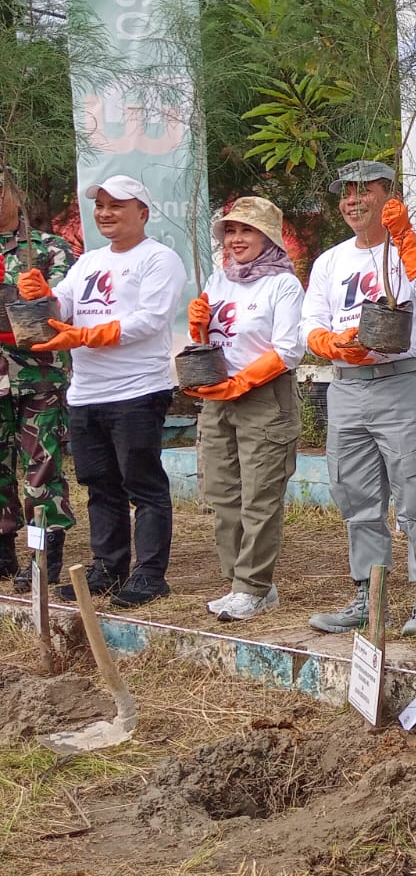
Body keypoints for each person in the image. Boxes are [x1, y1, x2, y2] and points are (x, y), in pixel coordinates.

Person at [302, 161, 416, 638]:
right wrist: (329, 344)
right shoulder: (331, 260)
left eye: (363, 191)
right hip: (347, 385)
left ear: (389, 195)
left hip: (405, 381)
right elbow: (310, 325)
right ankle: (368, 597)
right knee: (355, 494)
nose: (352, 201)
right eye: (345, 193)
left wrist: (405, 237)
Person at [18, 175, 185, 606]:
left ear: (142, 213)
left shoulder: (159, 259)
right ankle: (107, 569)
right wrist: (44, 297)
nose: (106, 213)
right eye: (101, 206)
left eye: (117, 206)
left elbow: (149, 320)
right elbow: (64, 309)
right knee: (100, 486)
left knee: (142, 483)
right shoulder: (89, 261)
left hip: (136, 390)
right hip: (87, 392)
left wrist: (85, 337)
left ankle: (150, 574)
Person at [185, 197, 306, 622]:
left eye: (247, 231)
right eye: (230, 232)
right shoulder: (220, 280)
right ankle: (241, 581)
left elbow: (290, 349)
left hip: (264, 397)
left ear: (268, 237)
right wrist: (197, 325)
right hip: (217, 399)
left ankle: (251, 586)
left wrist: (242, 382)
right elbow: (212, 341)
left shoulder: (283, 285)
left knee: (260, 495)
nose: (236, 239)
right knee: (222, 493)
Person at [0, 175, 78, 592]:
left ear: (15, 191)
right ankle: (3, 552)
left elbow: (63, 302)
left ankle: (42, 556)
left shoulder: (47, 248)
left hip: (38, 372)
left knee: (42, 462)